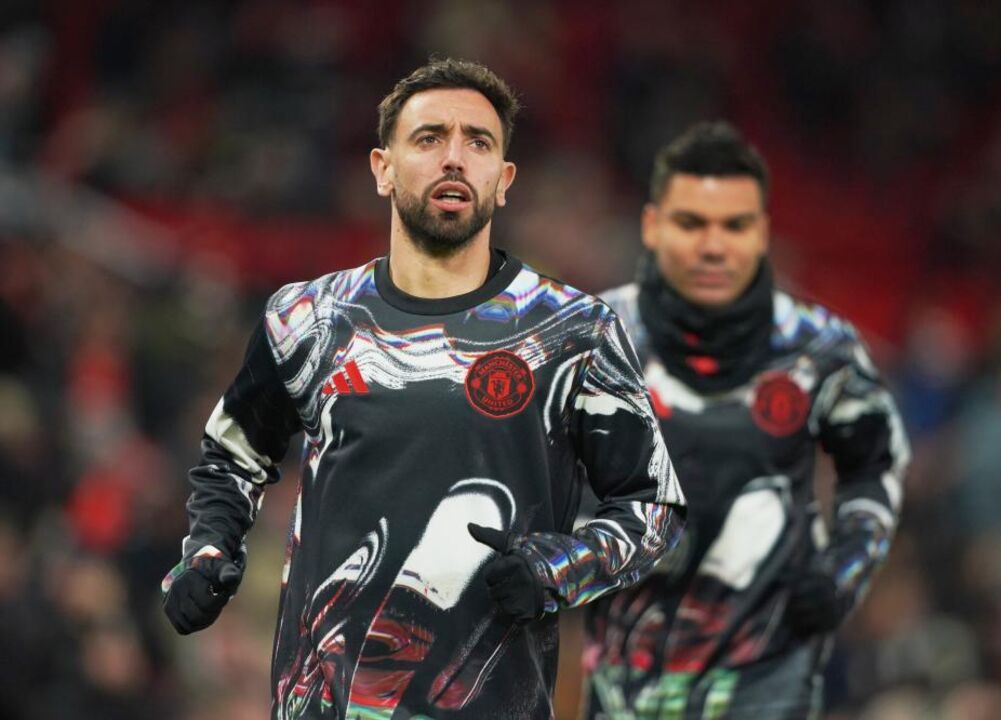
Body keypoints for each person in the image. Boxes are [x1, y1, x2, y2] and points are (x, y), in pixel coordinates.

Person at [159, 58, 686, 720]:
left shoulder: (574, 332)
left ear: (503, 181)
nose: (455, 159)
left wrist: (560, 570)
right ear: (382, 167)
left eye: (479, 142)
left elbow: (655, 507)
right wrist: (208, 549)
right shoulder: (308, 319)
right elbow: (232, 455)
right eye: (430, 138)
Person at [579, 122, 910, 719]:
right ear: (652, 225)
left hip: (770, 677)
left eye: (735, 225)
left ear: (762, 233)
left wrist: (844, 572)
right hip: (622, 681)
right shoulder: (591, 342)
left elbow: (877, 469)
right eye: (691, 223)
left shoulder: (819, 351)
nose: (714, 246)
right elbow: (528, 482)